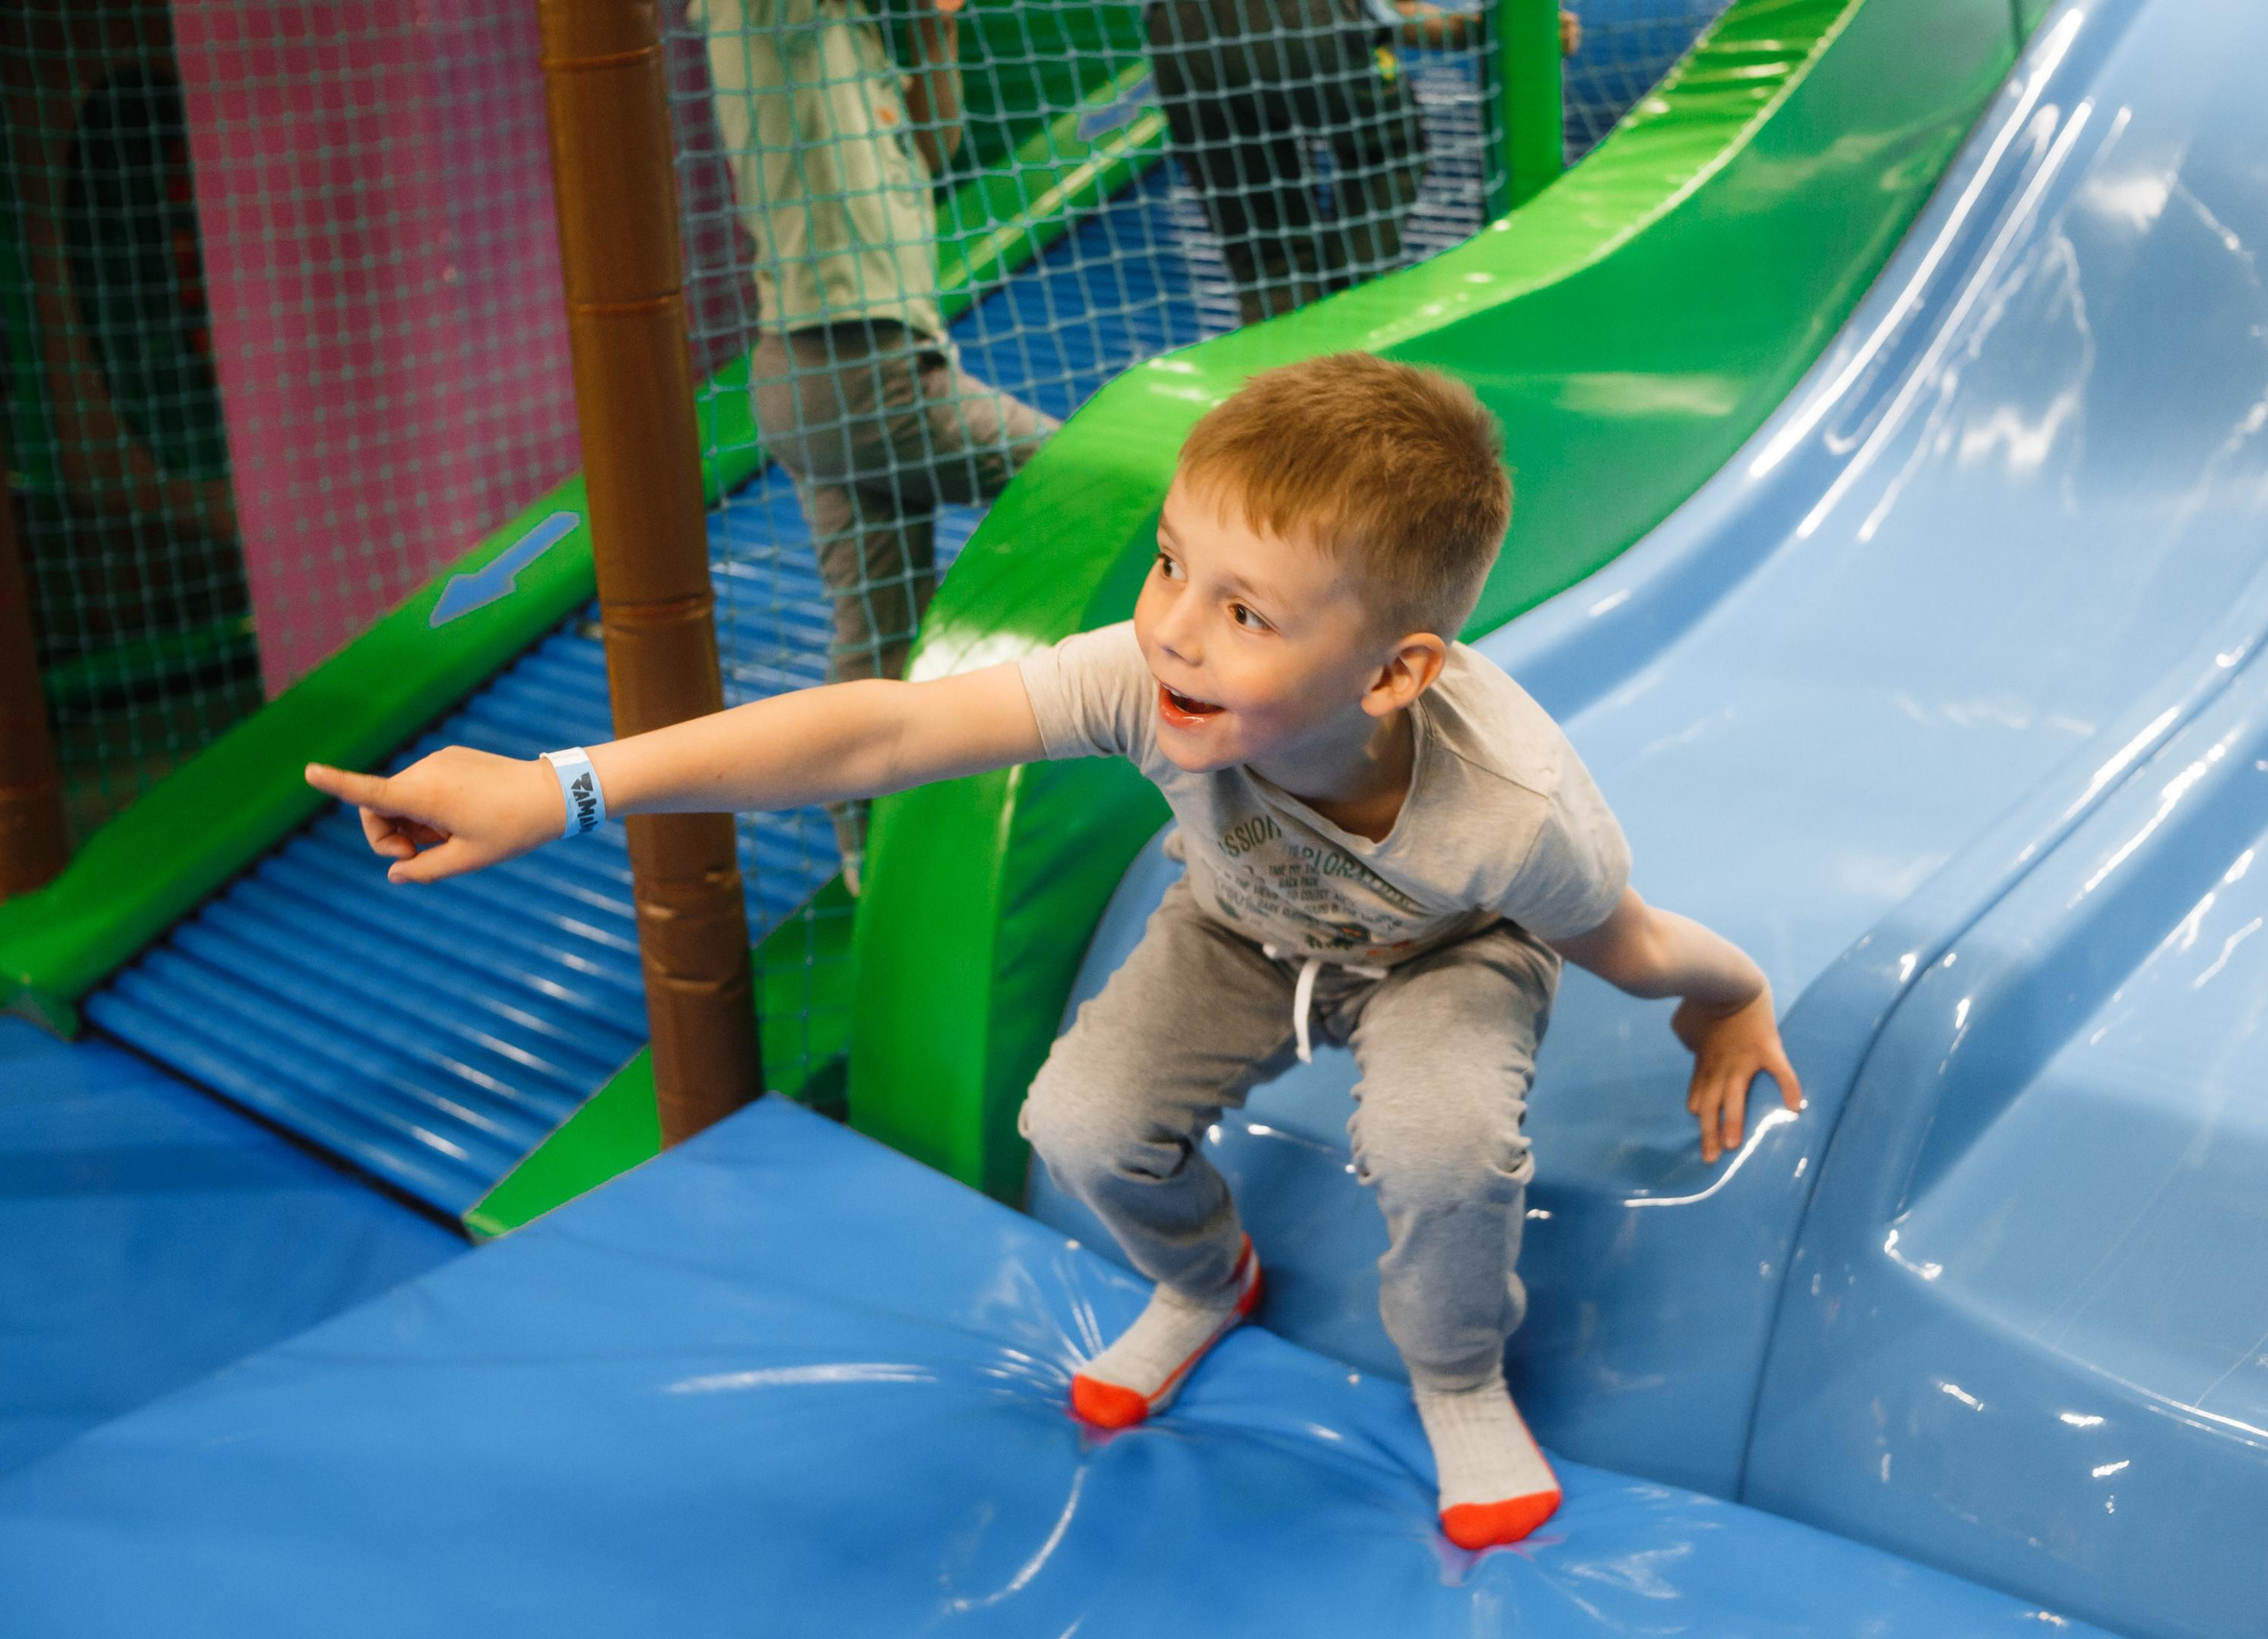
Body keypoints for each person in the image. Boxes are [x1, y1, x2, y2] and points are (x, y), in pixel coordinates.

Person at [302, 353, 1799, 1551]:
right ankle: (1211, 1279)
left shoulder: (1511, 817)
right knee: (1078, 1119)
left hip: (1443, 954)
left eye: (1244, 609)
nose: (1176, 631)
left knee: (1441, 1147)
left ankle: (1457, 1367)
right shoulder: (1148, 680)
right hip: (1240, 922)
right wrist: (564, 784)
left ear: (1398, 668)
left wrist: (1732, 1001)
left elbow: (1634, 936)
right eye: (1169, 566)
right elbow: (881, 729)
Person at [693, 0, 1058, 884]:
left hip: (829, 382)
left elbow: (934, 148)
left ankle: (867, 841)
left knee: (879, 626)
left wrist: (938, 29)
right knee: (1084, 472)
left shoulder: (855, 42)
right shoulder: (776, 27)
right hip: (858, 371)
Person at [1145, 0, 1582, 325]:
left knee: (1267, 256)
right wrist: (1506, 30)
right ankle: (1357, 301)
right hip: (1299, 19)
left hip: (1179, 35)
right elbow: (1398, 9)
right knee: (1390, 146)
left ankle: (1284, 400)